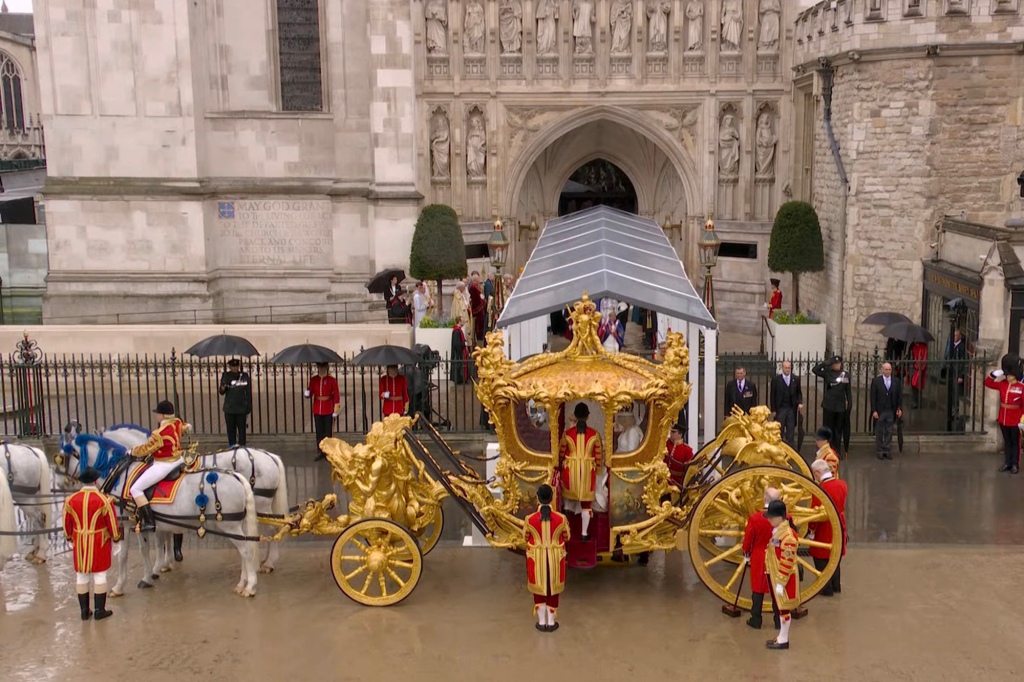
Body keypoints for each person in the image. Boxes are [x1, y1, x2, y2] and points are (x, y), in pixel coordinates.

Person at [62, 466, 121, 621]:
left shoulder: (70, 500)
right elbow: (113, 525)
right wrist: (116, 538)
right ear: (96, 481)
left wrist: (69, 537)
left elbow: (66, 524)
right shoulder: (105, 500)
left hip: (80, 541)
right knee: (100, 575)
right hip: (99, 541)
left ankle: (84, 610)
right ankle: (99, 610)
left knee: (81, 576)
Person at [128, 400, 189, 533]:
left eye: (158, 414)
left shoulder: (159, 433)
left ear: (162, 415)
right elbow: (185, 426)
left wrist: (131, 451)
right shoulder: (177, 422)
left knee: (135, 489)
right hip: (178, 459)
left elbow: (146, 449)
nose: (156, 416)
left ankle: (149, 522)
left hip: (164, 464)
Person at [525, 483, 570, 633]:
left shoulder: (529, 519)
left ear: (537, 498)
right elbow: (567, 536)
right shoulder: (561, 518)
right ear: (552, 498)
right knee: (552, 589)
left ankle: (541, 621)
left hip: (536, 557)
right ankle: (551, 622)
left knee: (539, 589)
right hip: (555, 558)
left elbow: (525, 537)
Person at [558, 402, 603, 542]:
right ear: (588, 416)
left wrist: (560, 466)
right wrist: (599, 469)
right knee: (586, 504)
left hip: (570, 470)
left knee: (567, 501)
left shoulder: (567, 434)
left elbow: (561, 453)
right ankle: (584, 533)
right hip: (587, 472)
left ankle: (566, 530)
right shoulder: (595, 434)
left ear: (576, 417)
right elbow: (598, 456)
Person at [742, 487, 781, 629]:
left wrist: (746, 552)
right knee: (777, 590)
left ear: (765, 499)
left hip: (759, 556)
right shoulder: (786, 518)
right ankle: (778, 620)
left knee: (757, 590)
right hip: (777, 556)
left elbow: (748, 540)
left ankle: (756, 619)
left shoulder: (755, 518)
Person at [764, 499, 799, 650]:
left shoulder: (787, 536)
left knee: (783, 608)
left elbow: (787, 561)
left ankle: (783, 638)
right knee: (780, 608)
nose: (770, 520)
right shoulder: (781, 532)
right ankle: (781, 636)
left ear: (780, 517)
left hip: (783, 578)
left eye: (772, 517)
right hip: (776, 575)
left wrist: (781, 581)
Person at [809, 459, 847, 596]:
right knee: (835, 558)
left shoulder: (820, 490)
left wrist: (811, 531)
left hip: (825, 527)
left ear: (818, 472)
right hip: (839, 524)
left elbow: (815, 514)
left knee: (821, 559)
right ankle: (836, 586)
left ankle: (826, 589)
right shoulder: (842, 484)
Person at [984, 354, 1024, 474]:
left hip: (1015, 420)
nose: (1006, 376)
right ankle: (1007, 463)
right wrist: (993, 374)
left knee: (1015, 444)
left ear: (1015, 375)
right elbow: (988, 383)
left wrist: (1022, 420)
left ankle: (1015, 464)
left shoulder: (1021, 387)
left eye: (1009, 374)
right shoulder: (1002, 384)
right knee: (1007, 442)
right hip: (1003, 419)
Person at [812, 355, 851, 455]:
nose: (837, 365)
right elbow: (815, 370)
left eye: (838, 363)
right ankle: (827, 450)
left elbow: (848, 391)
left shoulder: (845, 375)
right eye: (834, 363)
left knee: (838, 431)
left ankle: (836, 451)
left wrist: (849, 405)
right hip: (829, 405)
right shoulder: (827, 373)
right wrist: (826, 363)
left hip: (840, 406)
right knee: (828, 429)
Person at [305, 363, 340, 462]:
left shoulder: (331, 380)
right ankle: (320, 451)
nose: (322, 369)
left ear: (326, 368)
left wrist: (336, 408)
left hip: (328, 408)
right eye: (320, 367)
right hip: (317, 408)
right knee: (319, 432)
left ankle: (328, 452)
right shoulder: (313, 380)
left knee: (328, 432)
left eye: (323, 367)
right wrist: (307, 394)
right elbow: (311, 393)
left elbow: (336, 394)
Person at [870, 362, 903, 460]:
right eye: (886, 370)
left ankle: (887, 450)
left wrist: (899, 408)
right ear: (882, 370)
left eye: (889, 370)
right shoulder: (876, 381)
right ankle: (880, 450)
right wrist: (874, 410)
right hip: (880, 410)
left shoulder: (896, 381)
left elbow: (899, 396)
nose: (888, 371)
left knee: (889, 430)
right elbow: (873, 397)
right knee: (879, 431)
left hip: (891, 410)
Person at [219, 358, 252, 448]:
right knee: (231, 430)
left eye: (236, 366)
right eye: (233, 366)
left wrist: (248, 407)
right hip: (229, 407)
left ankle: (242, 447)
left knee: (242, 430)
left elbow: (248, 392)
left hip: (241, 407)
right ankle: (232, 447)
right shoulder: (226, 375)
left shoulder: (244, 376)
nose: (235, 368)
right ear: (230, 367)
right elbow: (222, 392)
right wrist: (223, 387)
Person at [770, 360, 803, 447]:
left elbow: (799, 392)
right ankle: (779, 447)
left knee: (790, 429)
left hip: (791, 408)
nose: (787, 370)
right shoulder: (776, 380)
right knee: (779, 429)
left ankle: (790, 448)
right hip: (780, 408)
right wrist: (773, 409)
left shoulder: (795, 379)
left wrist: (800, 403)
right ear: (782, 368)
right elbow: (772, 395)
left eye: (789, 368)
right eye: (786, 368)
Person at [664, 422, 694, 489]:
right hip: (664, 481)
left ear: (680, 434)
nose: (671, 434)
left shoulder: (687, 450)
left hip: (678, 482)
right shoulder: (665, 445)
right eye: (671, 431)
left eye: (673, 432)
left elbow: (689, 471)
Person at [450, 318, 472, 384]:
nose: (464, 322)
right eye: (463, 321)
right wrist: (464, 344)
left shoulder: (458, 330)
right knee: (459, 366)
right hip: (458, 353)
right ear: (459, 321)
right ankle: (460, 379)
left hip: (460, 351)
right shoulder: (456, 331)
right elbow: (457, 344)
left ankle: (462, 379)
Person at [469, 272, 486, 343]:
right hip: (477, 310)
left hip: (480, 310)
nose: (479, 279)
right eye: (478, 278)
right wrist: (484, 301)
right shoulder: (473, 287)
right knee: (479, 326)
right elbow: (476, 299)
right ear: (476, 279)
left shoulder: (476, 286)